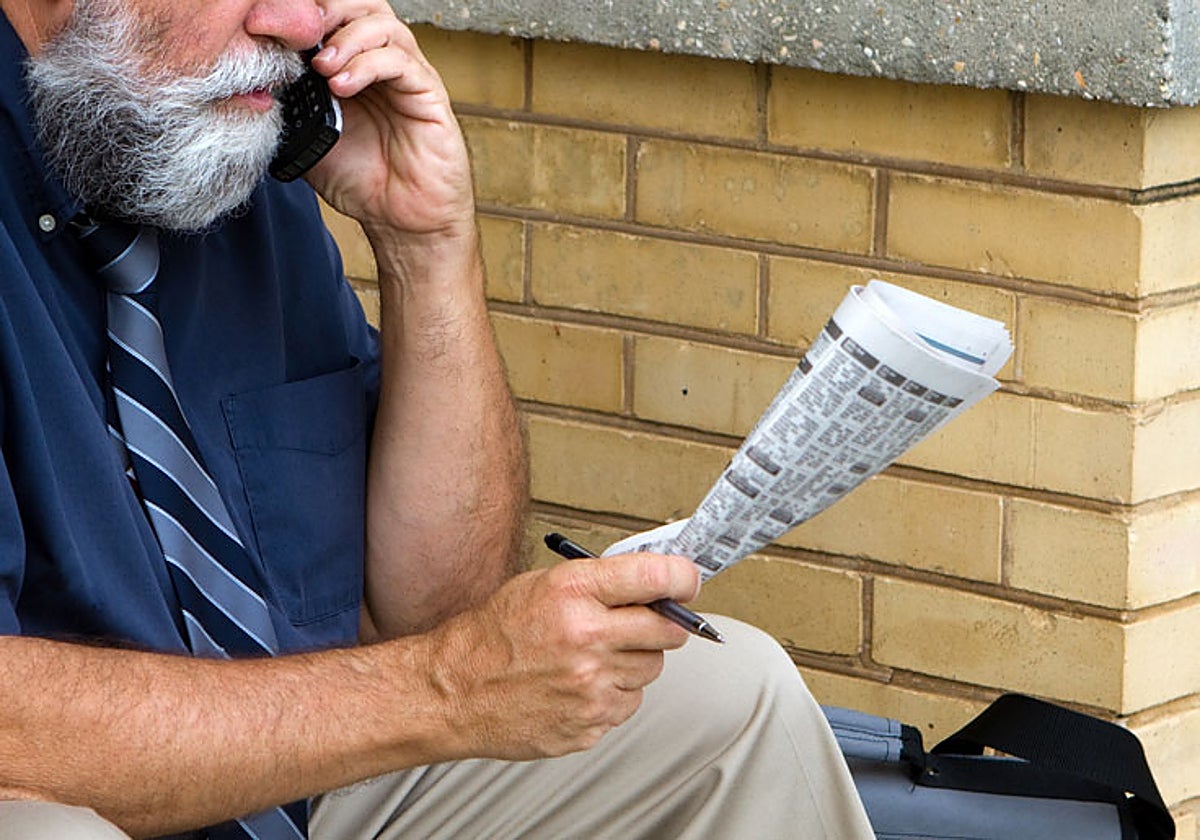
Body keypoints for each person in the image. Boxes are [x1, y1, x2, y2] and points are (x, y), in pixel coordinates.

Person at [0, 0, 875, 838]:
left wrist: (425, 243)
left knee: (733, 698)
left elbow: (433, 613)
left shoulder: (224, 148)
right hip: (67, 785)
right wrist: (444, 689)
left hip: (303, 772)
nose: (300, 26)